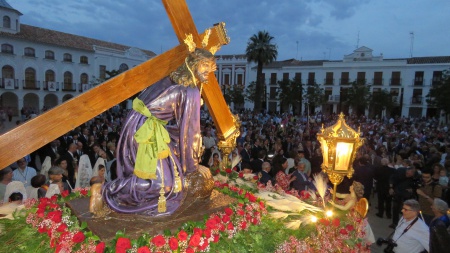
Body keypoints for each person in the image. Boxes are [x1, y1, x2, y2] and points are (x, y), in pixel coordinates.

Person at [102, 48, 216, 216]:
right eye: (205, 64)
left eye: (212, 66)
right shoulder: (189, 91)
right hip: (146, 131)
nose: (210, 70)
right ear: (192, 64)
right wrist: (193, 166)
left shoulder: (171, 78)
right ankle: (105, 190)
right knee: (163, 185)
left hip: (137, 125)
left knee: (160, 172)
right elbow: (190, 133)